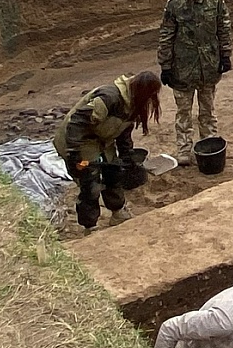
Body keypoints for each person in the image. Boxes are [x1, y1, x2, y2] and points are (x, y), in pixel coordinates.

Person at [53, 70, 162, 230]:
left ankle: (118, 212)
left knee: (113, 171)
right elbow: (76, 123)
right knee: (90, 181)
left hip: (100, 138)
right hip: (78, 139)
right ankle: (90, 226)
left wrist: (127, 156)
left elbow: (124, 131)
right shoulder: (109, 98)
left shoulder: (132, 102)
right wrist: (74, 153)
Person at [156, 0, 232, 159]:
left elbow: (224, 28)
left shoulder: (216, 0)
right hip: (182, 69)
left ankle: (209, 146)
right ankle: (183, 151)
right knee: (183, 112)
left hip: (209, 66)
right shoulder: (174, 5)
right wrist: (165, 66)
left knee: (207, 110)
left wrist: (225, 56)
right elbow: (166, 35)